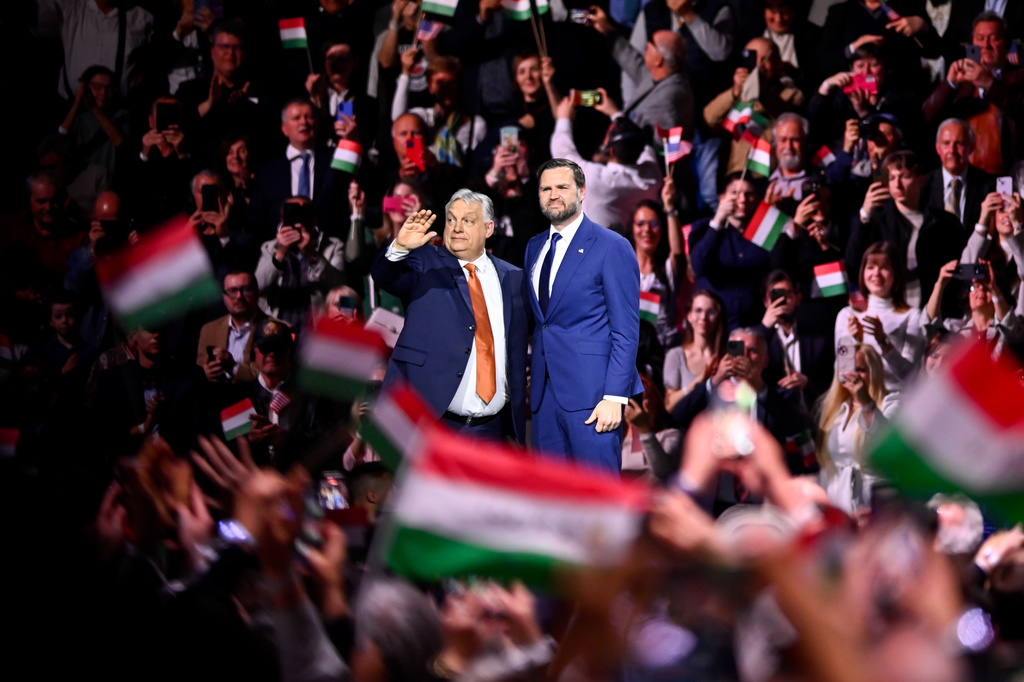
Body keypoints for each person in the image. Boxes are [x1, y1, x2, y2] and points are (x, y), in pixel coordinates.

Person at [371, 189, 529, 443]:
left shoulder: (514, 277)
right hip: (427, 421)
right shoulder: (424, 262)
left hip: (490, 429)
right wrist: (399, 247)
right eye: (452, 219)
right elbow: (385, 276)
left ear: (488, 229)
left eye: (468, 220)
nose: (457, 227)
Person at [526, 158, 642, 473]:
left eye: (562, 187)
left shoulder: (611, 246)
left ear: (581, 192)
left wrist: (616, 396)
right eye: (545, 188)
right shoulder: (534, 247)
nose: (553, 195)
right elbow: (544, 323)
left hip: (594, 398)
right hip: (544, 399)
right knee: (551, 503)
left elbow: (626, 331)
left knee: (600, 502)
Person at [849, 150, 964, 311]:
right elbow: (853, 261)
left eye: (904, 176)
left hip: (936, 311)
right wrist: (865, 214)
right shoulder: (879, 223)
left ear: (920, 180)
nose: (897, 184)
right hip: (892, 311)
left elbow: (960, 267)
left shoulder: (944, 222)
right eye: (891, 178)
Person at [549, 93, 662, 232]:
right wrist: (616, 113)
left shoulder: (596, 180)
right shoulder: (652, 178)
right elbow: (645, 148)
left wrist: (564, 118)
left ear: (610, 152)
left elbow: (562, 152)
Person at [589, 7, 695, 142]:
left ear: (658, 60)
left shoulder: (667, 100)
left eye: (651, 44)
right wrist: (608, 30)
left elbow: (641, 144)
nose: (647, 44)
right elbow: (632, 61)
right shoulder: (664, 75)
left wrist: (614, 113)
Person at [815, 343, 898, 514]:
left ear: (874, 372)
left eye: (860, 370)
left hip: (873, 503)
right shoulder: (834, 409)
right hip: (837, 503)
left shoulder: (891, 403)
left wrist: (866, 403)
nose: (854, 375)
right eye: (849, 368)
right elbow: (828, 467)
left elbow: (885, 441)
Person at [834, 241, 926, 391]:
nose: (876, 273)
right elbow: (842, 373)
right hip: (857, 400)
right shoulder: (847, 315)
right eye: (870, 267)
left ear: (896, 274)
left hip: (894, 403)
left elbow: (908, 375)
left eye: (884, 268)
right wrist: (853, 340)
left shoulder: (912, 316)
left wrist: (883, 341)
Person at [688, 173, 775, 329]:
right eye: (735, 193)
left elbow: (776, 268)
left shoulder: (764, 231)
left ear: (755, 199)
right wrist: (718, 220)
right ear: (722, 198)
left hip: (754, 328)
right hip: (714, 329)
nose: (742, 199)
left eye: (748, 194)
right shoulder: (704, 228)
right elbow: (698, 266)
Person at [255, 196, 346, 329]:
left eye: (305, 213)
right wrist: (280, 253)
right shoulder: (269, 248)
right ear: (282, 219)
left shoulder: (333, 245)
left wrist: (312, 255)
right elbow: (257, 286)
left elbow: (341, 288)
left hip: (316, 327)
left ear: (315, 219)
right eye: (293, 212)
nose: (299, 219)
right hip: (278, 327)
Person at [924, 259, 1022, 358]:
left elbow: (1010, 329)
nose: (980, 290)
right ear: (967, 295)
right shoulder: (955, 330)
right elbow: (929, 330)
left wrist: (994, 289)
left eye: (987, 288)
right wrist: (940, 284)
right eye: (974, 287)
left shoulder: (1006, 332)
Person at [196, 271, 279, 384]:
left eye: (246, 290)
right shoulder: (209, 330)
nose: (239, 296)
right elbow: (198, 372)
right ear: (224, 296)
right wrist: (206, 373)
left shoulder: (277, 330)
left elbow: (272, 378)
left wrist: (233, 367)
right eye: (232, 291)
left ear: (257, 293)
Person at [919, 118, 996, 235]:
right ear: (937, 148)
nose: (952, 150)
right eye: (946, 143)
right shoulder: (923, 185)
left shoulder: (989, 186)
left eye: (959, 144)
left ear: (971, 147)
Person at [629, 192, 685, 348]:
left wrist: (670, 208)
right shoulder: (619, 267)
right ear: (632, 228)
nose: (647, 229)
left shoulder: (667, 270)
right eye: (640, 224)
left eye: (654, 224)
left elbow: (678, 253)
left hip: (661, 351)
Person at [663, 289, 725, 413]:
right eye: (698, 310)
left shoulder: (726, 355)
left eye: (711, 312)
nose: (703, 317)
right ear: (689, 316)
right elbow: (669, 405)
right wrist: (700, 380)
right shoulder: (676, 355)